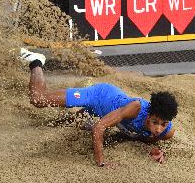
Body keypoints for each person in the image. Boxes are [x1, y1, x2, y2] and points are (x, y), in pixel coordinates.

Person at [20, 48, 178, 167]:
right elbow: (98, 128)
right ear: (149, 114)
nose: (158, 129)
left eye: (163, 124)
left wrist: (155, 149)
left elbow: (144, 137)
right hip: (98, 95)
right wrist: (101, 163)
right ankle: (36, 61)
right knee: (38, 100)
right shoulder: (135, 108)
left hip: (101, 113)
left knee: (58, 123)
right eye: (155, 122)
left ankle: (74, 102)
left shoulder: (166, 132)